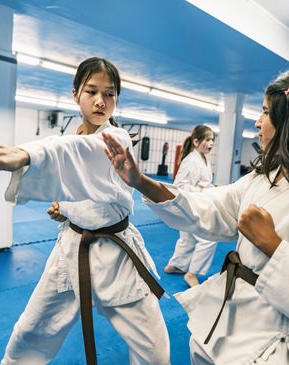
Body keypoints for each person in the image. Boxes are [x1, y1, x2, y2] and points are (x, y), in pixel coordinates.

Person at [0, 57, 170, 365]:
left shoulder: (116, 138)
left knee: (153, 351)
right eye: (91, 91)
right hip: (71, 249)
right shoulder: (73, 137)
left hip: (117, 256)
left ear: (117, 100)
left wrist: (25, 154)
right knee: (31, 330)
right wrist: (66, 209)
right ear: (76, 93)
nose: (101, 101)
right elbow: (79, 178)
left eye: (110, 93)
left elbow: (79, 155)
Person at [103, 70, 289, 365]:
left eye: (265, 112)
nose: (257, 122)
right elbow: (208, 205)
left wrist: (273, 246)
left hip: (268, 337)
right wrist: (141, 181)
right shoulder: (262, 178)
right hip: (228, 316)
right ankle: (181, 266)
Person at [163, 125, 218, 287]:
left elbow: (201, 182)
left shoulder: (203, 158)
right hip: (189, 205)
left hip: (197, 203)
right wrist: (204, 188)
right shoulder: (190, 161)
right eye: (207, 140)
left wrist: (210, 186)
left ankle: (176, 265)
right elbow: (179, 186)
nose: (211, 143)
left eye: (212, 140)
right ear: (196, 142)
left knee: (187, 237)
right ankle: (191, 273)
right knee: (209, 238)